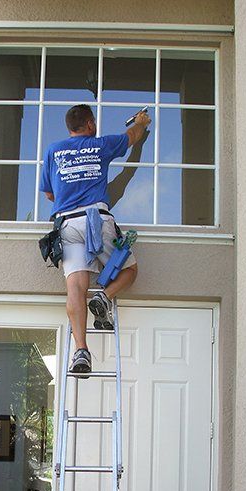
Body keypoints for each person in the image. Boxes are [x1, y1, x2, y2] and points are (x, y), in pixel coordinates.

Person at [39, 103, 152, 374]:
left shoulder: (54, 150)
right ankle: (104, 296)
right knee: (130, 271)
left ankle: (81, 350)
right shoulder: (100, 145)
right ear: (90, 124)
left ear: (69, 127)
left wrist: (70, 191)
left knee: (75, 289)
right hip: (96, 220)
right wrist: (141, 122)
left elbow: (49, 194)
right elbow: (132, 137)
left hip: (66, 224)